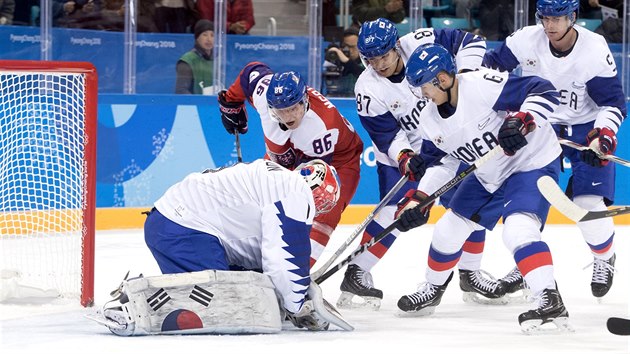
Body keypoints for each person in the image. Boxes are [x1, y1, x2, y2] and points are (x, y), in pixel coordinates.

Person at [340, 17, 522, 311]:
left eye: (383, 56)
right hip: (407, 153)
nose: (378, 64)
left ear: (396, 46)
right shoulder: (367, 88)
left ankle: (470, 272)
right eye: (371, 59)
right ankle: (358, 270)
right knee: (396, 212)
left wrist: (463, 82)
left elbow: (470, 42)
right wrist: (405, 157)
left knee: (468, 207)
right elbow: (387, 134)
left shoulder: (422, 42)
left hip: (448, 138)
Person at [397, 42, 569, 333]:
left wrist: (522, 120)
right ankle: (433, 288)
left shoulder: (480, 85)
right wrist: (419, 199)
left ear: (442, 78)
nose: (422, 94)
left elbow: (543, 89)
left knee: (517, 230)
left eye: (424, 86)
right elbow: (443, 163)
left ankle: (549, 299)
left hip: (531, 162)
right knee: (447, 229)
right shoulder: (429, 118)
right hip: (490, 173)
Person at [93, 159, 352, 335]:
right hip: (184, 229)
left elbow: (257, 263)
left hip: (170, 224)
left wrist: (288, 294)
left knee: (229, 293)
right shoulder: (297, 192)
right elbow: (285, 257)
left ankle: (142, 295)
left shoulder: (279, 180)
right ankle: (135, 300)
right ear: (321, 195)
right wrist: (296, 305)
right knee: (228, 301)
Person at [483, 0, 625, 300]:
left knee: (587, 203)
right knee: (527, 203)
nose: (550, 25)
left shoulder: (593, 49)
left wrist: (602, 139)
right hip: (540, 127)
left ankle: (604, 257)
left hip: (585, 129)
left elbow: (612, 103)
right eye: (545, 18)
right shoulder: (526, 39)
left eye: (557, 19)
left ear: (573, 17)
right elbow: (488, 71)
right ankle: (528, 268)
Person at [217, 62, 364, 269]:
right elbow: (251, 71)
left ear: (304, 101)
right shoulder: (263, 92)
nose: (288, 117)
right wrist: (231, 103)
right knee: (259, 198)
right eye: (281, 111)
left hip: (339, 161)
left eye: (293, 108)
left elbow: (310, 183)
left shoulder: (321, 127)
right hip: (291, 151)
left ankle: (295, 273)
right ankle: (249, 259)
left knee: (323, 212)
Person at [175, 19, 214, 95]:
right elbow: (181, 90)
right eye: (205, 35)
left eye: (212, 35)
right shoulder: (187, 61)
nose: (209, 39)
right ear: (197, 38)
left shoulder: (219, 61)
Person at [324, 27, 365, 97]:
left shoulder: (367, 63)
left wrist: (346, 61)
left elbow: (362, 73)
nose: (348, 50)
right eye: (345, 46)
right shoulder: (338, 61)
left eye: (352, 47)